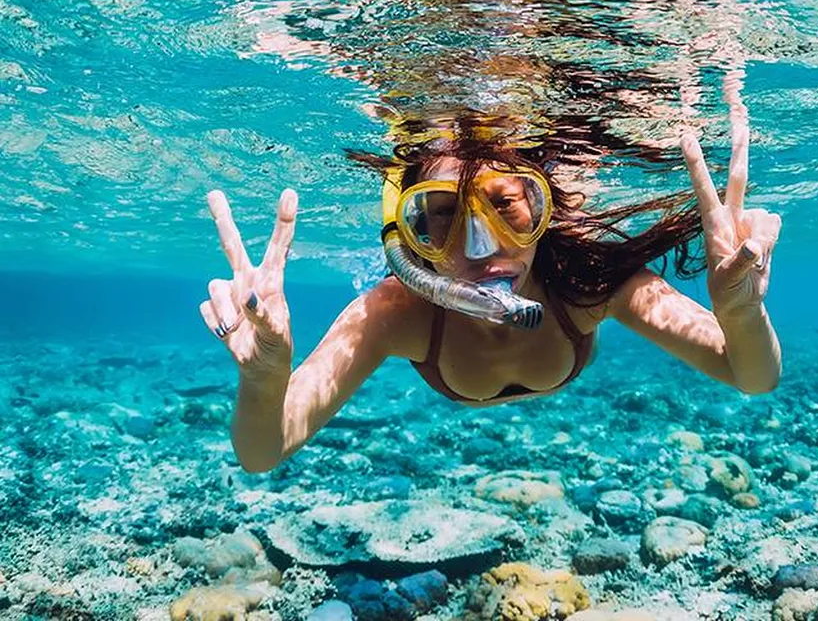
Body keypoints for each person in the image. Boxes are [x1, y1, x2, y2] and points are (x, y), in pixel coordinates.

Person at [200, 105, 782, 474]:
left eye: (507, 208)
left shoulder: (583, 284)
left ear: (543, 213)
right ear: (411, 239)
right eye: (443, 217)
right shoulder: (397, 312)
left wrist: (739, 312)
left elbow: (752, 375)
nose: (481, 248)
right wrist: (264, 380)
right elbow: (262, 453)